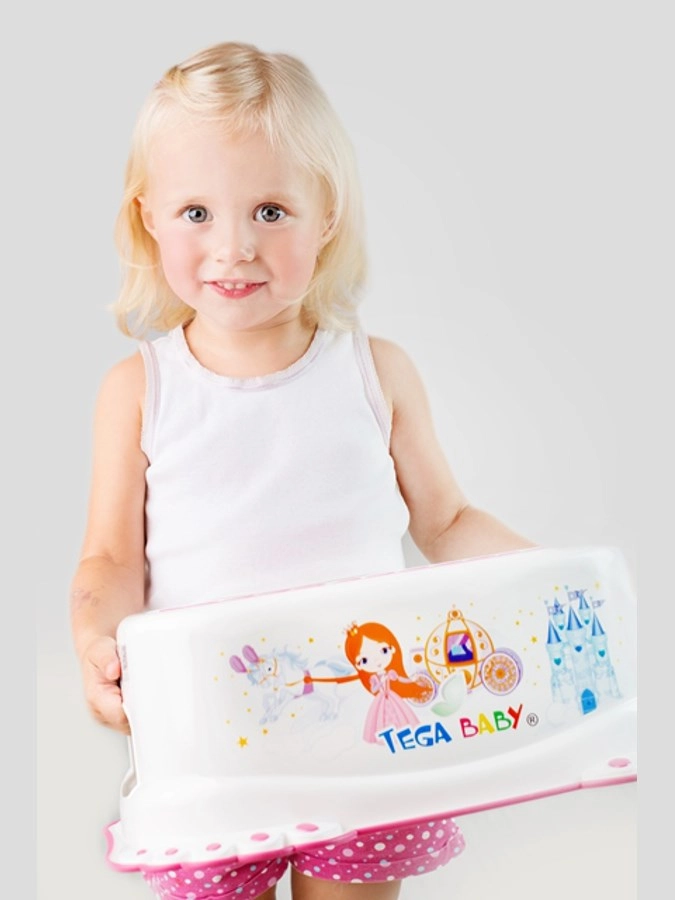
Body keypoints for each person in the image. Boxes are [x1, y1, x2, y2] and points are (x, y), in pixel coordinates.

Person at [70, 40, 534, 900]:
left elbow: (445, 521)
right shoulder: (138, 390)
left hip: (363, 740)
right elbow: (110, 557)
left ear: (326, 217)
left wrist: (543, 579)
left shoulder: (375, 371)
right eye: (197, 212)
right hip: (207, 749)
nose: (234, 246)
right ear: (148, 218)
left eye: (271, 210)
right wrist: (97, 640)